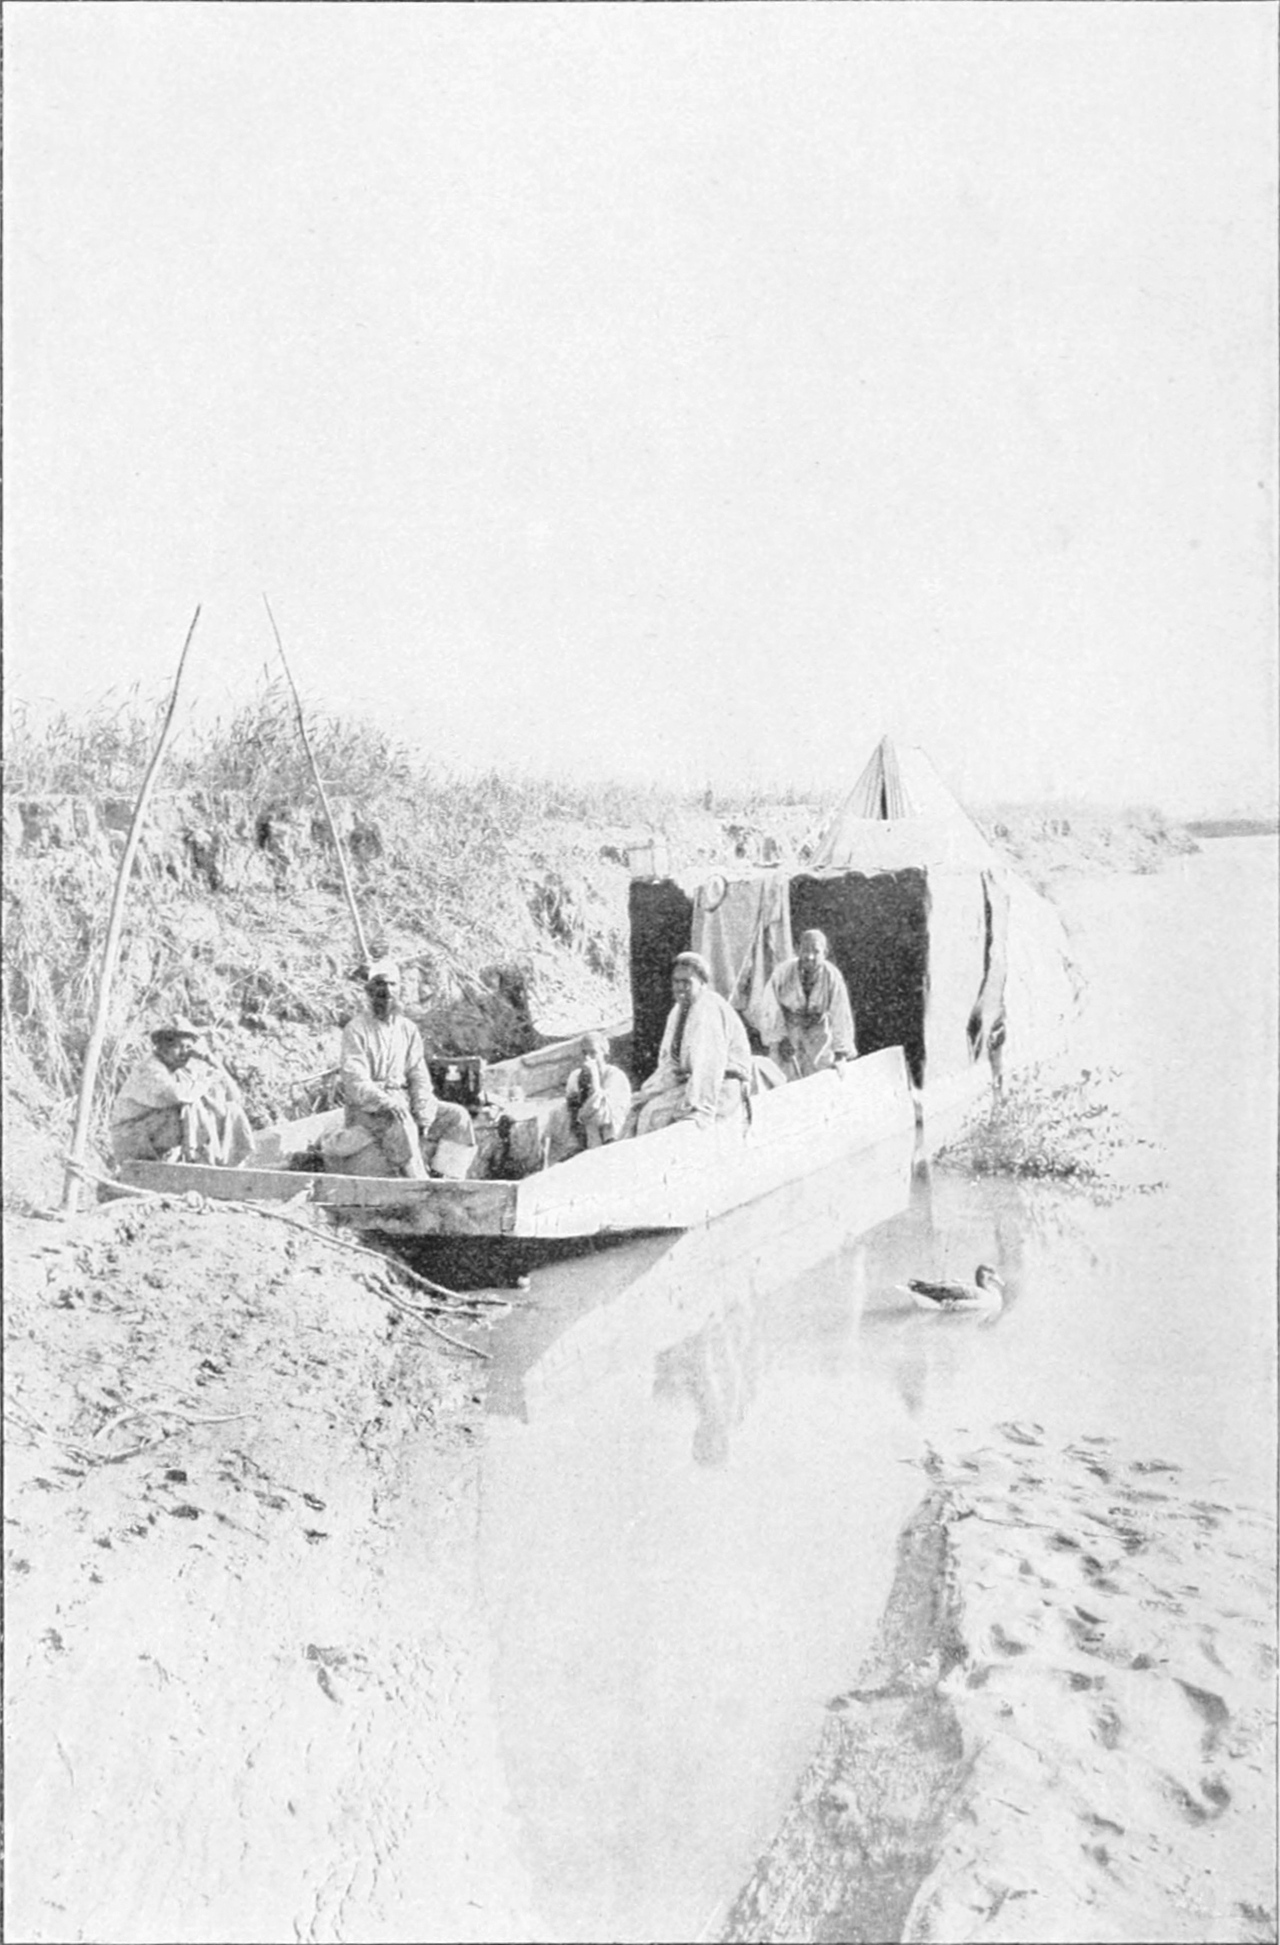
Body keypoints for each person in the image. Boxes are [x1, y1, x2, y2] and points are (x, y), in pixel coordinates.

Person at [334, 959, 476, 1179]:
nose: (387, 991)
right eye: (380, 984)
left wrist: (424, 1109)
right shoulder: (356, 1030)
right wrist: (386, 1101)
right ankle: (419, 1181)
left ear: (399, 989)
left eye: (392, 984)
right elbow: (356, 1081)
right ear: (370, 990)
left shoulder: (408, 1029)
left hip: (403, 1098)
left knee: (457, 1116)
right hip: (368, 1109)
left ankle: (448, 1178)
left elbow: (418, 1075)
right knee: (401, 1120)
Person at [630, 952, 753, 1137]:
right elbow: (671, 1061)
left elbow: (709, 1066)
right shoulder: (678, 1011)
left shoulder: (708, 1009)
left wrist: (699, 1109)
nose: (680, 988)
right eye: (676, 982)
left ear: (702, 983)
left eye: (687, 982)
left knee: (655, 1114)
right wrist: (651, 1091)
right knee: (641, 1108)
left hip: (722, 1087)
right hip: (693, 1083)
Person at [111, 1016, 255, 1167]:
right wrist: (205, 1082)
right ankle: (198, 1161)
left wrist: (211, 1059)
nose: (184, 1053)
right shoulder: (150, 1068)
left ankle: (219, 1163)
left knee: (229, 1110)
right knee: (190, 1107)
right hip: (129, 1138)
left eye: (188, 1048)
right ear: (162, 1047)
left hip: (151, 1133)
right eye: (178, 1047)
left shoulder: (180, 1070)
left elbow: (234, 1097)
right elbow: (177, 1095)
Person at [758, 929, 857, 1080]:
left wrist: (840, 1054)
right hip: (788, 1030)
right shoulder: (783, 972)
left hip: (818, 1034)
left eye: (816, 951)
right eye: (805, 950)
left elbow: (841, 1014)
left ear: (825, 953)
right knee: (782, 1077)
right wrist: (781, 1038)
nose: (809, 956)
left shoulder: (832, 976)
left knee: (820, 1078)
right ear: (798, 950)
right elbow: (769, 1006)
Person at [544, 1031, 633, 1166]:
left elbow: (605, 1110)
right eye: (584, 1053)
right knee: (558, 1113)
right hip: (582, 1126)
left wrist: (595, 1079)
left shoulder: (616, 1075)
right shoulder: (576, 1075)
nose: (588, 1058)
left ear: (604, 1053)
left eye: (593, 1052)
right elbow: (572, 1102)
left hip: (608, 1128)